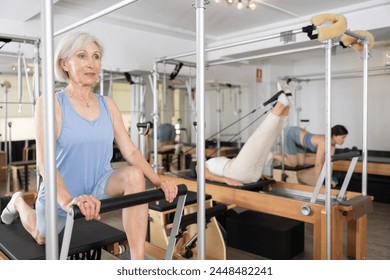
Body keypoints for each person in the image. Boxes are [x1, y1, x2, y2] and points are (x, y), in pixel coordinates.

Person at [0, 32, 178, 260]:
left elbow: (130, 150)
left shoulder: (108, 105)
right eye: (82, 56)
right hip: (61, 190)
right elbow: (44, 163)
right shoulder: (51, 103)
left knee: (134, 176)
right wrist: (67, 201)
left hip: (99, 183)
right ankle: (18, 203)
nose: (91, 63)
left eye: (96, 56)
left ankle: (137, 263)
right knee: (42, 235)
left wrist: (158, 181)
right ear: (64, 63)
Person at [204, 90, 291, 186]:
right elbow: (207, 175)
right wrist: (226, 180)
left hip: (250, 174)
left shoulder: (209, 162)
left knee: (269, 140)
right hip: (235, 172)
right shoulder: (199, 166)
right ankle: (281, 103)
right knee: (258, 138)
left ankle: (287, 106)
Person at [273, 125, 348, 184]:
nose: (344, 140)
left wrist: (330, 180)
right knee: (293, 163)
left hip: (300, 142)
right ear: (334, 136)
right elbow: (318, 164)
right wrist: (319, 184)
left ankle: (285, 156)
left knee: (301, 163)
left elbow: (329, 163)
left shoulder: (332, 144)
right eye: (343, 137)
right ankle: (273, 155)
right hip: (290, 134)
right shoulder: (324, 142)